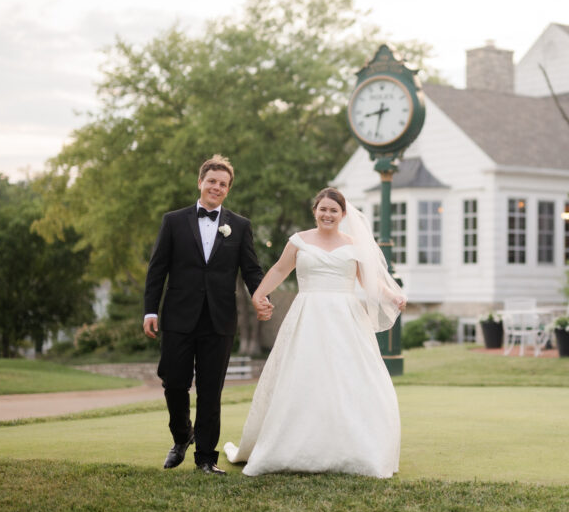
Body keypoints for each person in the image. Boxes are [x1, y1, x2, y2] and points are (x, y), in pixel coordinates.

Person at [224, 187, 406, 478]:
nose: (328, 214)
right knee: (304, 377)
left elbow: (369, 282)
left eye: (334, 210)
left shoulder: (354, 245)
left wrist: (391, 295)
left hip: (346, 319)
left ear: (343, 215)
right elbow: (278, 271)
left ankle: (357, 449)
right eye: (323, 209)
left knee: (351, 378)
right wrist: (259, 295)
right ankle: (289, 448)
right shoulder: (298, 241)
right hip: (308, 315)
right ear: (315, 211)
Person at [143, 154, 268, 476]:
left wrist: (260, 297)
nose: (217, 187)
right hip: (178, 317)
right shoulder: (173, 221)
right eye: (212, 181)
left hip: (219, 319)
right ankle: (182, 436)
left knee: (211, 391)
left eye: (223, 184)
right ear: (200, 182)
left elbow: (252, 270)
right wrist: (149, 310)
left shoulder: (240, 226)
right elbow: (158, 269)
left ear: (228, 189)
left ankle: (206, 459)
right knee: (173, 384)